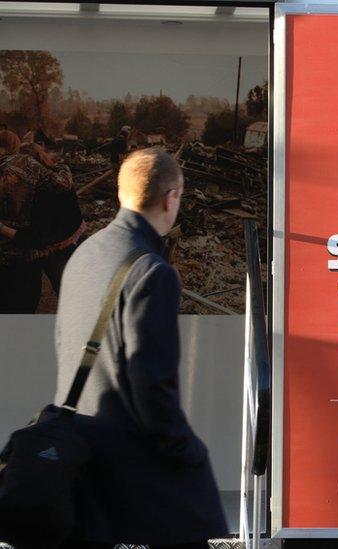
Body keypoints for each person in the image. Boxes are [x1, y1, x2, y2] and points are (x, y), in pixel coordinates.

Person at [53, 147, 226, 548]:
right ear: (172, 197)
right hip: (130, 462)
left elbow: (65, 344)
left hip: (79, 453)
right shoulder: (153, 272)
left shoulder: (84, 254)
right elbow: (151, 382)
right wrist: (186, 448)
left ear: (121, 194)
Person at [0, 130, 84, 312]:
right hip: (33, 255)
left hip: (33, 251)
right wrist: (63, 168)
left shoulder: (20, 175)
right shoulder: (28, 169)